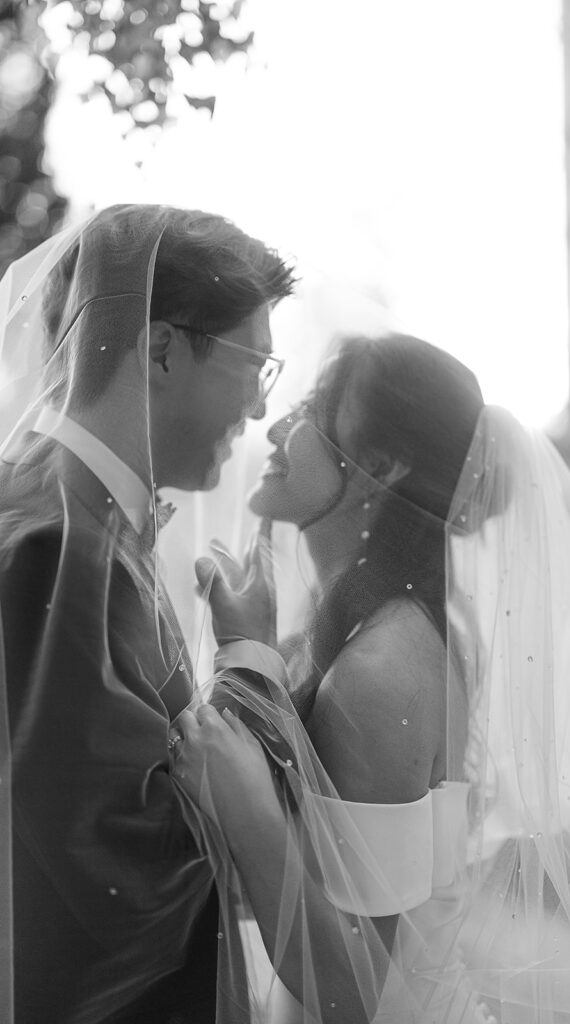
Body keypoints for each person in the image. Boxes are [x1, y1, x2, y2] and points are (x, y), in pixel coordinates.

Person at [172, 333, 570, 1024]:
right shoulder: (388, 628)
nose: (276, 426)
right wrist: (249, 648)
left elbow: (359, 991)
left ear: (379, 462)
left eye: (311, 410)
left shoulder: (382, 671)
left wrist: (251, 814)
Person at [0, 203, 295, 1024]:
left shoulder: (69, 510)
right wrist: (247, 663)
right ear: (160, 348)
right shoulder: (55, 545)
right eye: (254, 365)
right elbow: (114, 871)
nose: (263, 409)